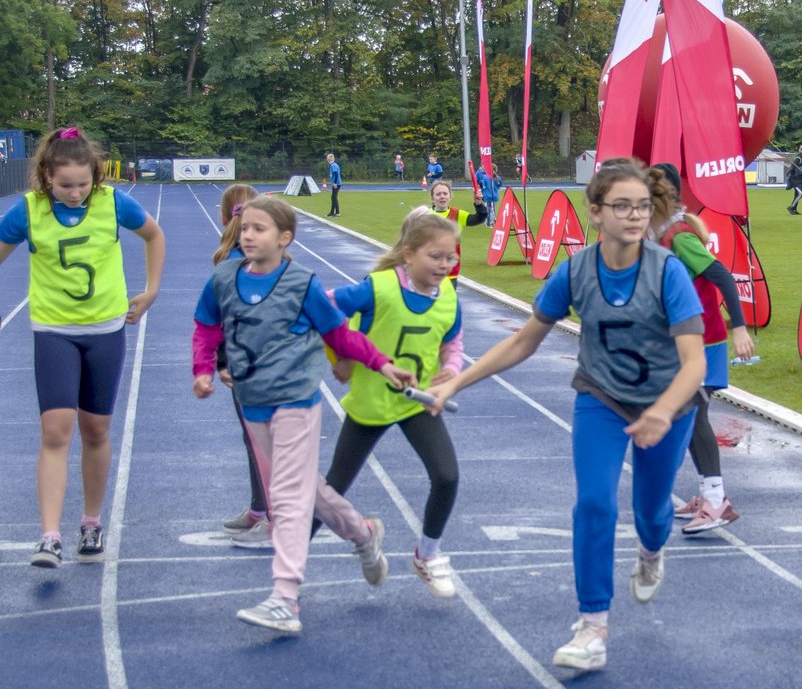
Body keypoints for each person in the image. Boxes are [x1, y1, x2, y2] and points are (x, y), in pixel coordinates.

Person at [441, 158, 705, 671]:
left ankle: (651, 552)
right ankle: (592, 627)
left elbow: (694, 363)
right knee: (594, 504)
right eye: (621, 206)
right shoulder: (576, 270)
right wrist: (457, 380)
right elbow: (522, 341)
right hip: (601, 398)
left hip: (668, 403)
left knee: (652, 513)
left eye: (642, 207)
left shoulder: (667, 271)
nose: (633, 216)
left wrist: (663, 411)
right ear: (595, 213)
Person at [0, 126, 165, 569]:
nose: (75, 193)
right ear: (46, 178)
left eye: (83, 184)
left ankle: (91, 523)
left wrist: (151, 291)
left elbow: (154, 235)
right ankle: (50, 536)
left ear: (95, 175)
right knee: (56, 430)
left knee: (95, 431)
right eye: (65, 185)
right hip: (54, 331)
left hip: (105, 330)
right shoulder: (29, 211)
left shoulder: (114, 203)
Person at [192, 195, 415, 634]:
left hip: (296, 399)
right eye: (245, 228)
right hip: (252, 402)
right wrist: (203, 370)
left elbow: (340, 334)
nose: (249, 235)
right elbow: (207, 326)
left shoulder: (303, 284)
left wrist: (383, 364)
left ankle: (285, 597)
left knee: (287, 501)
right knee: (306, 490)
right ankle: (363, 532)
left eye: (259, 228)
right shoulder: (222, 279)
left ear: (285, 237)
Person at [323, 209, 464, 598]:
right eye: (436, 257)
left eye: (450, 257)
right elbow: (325, 305)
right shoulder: (378, 288)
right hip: (372, 400)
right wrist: (342, 354)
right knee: (333, 489)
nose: (445, 265)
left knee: (447, 475)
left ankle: (428, 554)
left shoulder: (450, 294)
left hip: (415, 402)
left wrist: (451, 368)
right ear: (408, 254)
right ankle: (289, 569)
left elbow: (453, 340)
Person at [648, 164, 754, 533]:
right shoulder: (660, 233)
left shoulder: (678, 234)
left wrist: (739, 326)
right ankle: (708, 494)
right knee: (687, 417)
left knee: (694, 415)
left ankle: (716, 500)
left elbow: (721, 274)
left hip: (705, 339)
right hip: (682, 339)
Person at [210, 184, 272, 549]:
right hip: (257, 356)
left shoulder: (235, 258)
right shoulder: (238, 257)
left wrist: (219, 360)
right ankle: (259, 509)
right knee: (256, 438)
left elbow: (222, 317)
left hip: (250, 358)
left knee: (261, 439)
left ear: (224, 216)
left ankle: (273, 515)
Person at [428, 180, 487, 279]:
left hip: (450, 272)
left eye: (445, 193)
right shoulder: (424, 215)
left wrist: (479, 203)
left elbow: (480, 218)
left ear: (450, 197)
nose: (442, 196)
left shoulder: (457, 214)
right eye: (438, 194)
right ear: (432, 198)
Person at [786, 145, 802, 215]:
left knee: (796, 195)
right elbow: (794, 166)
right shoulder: (798, 158)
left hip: (800, 179)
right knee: (800, 194)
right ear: (800, 150)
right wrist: (788, 173)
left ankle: (794, 210)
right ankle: (791, 207)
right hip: (795, 179)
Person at [325, 152, 342, 217]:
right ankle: (337, 212)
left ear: (328, 159)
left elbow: (336, 174)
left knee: (334, 197)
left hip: (337, 183)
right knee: (334, 197)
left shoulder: (333, 165)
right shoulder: (333, 165)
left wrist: (334, 183)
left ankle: (333, 212)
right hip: (336, 183)